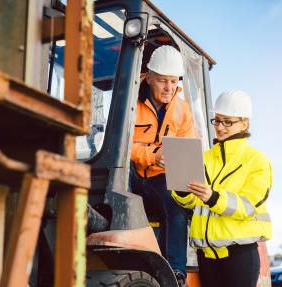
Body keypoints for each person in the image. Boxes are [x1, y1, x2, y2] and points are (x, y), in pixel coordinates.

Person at [171, 90, 272, 287]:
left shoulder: (257, 161)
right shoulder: (204, 157)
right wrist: (183, 190)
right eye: (216, 121)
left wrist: (214, 198)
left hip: (239, 255)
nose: (220, 127)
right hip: (206, 256)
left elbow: (249, 205)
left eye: (227, 121)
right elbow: (193, 203)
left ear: (244, 123)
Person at [129, 45, 196, 286]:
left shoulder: (182, 110)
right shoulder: (129, 98)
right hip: (131, 172)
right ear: (148, 77)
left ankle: (176, 273)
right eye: (163, 81)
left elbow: (188, 151)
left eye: (173, 81)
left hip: (160, 177)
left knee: (176, 206)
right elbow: (120, 146)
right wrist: (151, 156)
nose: (169, 88)